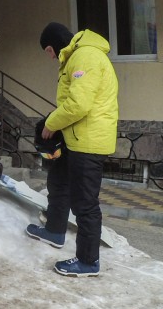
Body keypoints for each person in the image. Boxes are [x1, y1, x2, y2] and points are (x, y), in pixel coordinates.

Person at [25, 22, 119, 277]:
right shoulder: (77, 56)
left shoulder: (85, 56)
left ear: (50, 48)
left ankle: (88, 261)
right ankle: (55, 231)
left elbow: (79, 104)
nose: (51, 57)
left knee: (84, 203)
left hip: (88, 141)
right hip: (74, 137)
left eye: (48, 52)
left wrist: (51, 125)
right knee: (58, 182)